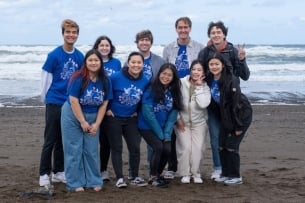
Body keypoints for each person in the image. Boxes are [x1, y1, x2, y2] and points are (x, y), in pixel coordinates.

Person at [197, 21, 250, 180]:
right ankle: (219, 168)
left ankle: (231, 172)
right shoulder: (205, 52)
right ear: (209, 35)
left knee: (230, 140)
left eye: (218, 32)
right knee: (216, 138)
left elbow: (245, 76)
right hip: (214, 103)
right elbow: (201, 71)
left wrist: (241, 60)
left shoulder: (233, 51)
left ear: (224, 34)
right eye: (213, 32)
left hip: (231, 102)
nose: (216, 35)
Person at [39, 19, 84, 187]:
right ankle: (44, 173)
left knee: (62, 140)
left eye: (74, 32)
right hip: (54, 101)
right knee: (50, 139)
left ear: (77, 35)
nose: (71, 35)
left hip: (70, 104)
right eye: (68, 32)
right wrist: (46, 100)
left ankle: (58, 172)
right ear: (63, 34)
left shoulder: (80, 56)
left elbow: (80, 81)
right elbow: (46, 79)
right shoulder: (54, 55)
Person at [61, 49, 112, 192]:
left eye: (96, 60)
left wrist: (97, 124)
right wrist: (82, 122)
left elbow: (104, 103)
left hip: (93, 115)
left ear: (101, 63)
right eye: (90, 60)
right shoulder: (78, 77)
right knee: (74, 149)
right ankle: (74, 183)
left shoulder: (105, 80)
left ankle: (94, 180)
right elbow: (73, 100)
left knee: (91, 150)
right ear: (85, 62)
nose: (93, 63)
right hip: (73, 115)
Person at [162, 16, 204, 179]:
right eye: (180, 27)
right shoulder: (168, 48)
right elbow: (165, 70)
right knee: (173, 129)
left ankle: (193, 168)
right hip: (174, 90)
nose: (183, 30)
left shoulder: (199, 48)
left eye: (186, 27)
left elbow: (202, 69)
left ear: (190, 29)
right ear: (176, 29)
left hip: (192, 90)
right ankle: (172, 167)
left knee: (190, 128)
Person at [103, 52, 150, 188]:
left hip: (131, 119)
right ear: (128, 63)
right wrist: (107, 109)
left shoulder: (145, 81)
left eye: (139, 62)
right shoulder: (116, 77)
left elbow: (145, 100)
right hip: (114, 118)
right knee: (117, 147)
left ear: (143, 64)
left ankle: (134, 176)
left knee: (135, 147)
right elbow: (105, 92)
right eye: (133, 62)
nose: (136, 65)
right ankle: (119, 178)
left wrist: (138, 110)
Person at [205, 52, 252, 185]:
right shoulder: (209, 79)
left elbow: (235, 105)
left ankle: (235, 176)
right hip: (227, 117)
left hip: (241, 115)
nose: (214, 67)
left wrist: (238, 127)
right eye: (211, 64)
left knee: (231, 146)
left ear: (223, 65)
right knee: (221, 146)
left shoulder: (230, 79)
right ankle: (225, 174)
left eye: (217, 64)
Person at [138, 63, 183, 187]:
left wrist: (167, 133)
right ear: (159, 74)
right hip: (147, 126)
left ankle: (157, 175)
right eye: (164, 74)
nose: (166, 77)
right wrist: (160, 135)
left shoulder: (174, 91)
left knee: (167, 149)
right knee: (158, 147)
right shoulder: (151, 89)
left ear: (173, 77)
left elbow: (173, 115)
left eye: (169, 75)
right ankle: (152, 177)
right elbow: (148, 115)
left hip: (164, 127)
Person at [134, 29, 166, 175]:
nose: (144, 42)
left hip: (152, 105)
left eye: (147, 40)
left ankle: (153, 169)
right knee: (134, 142)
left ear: (151, 42)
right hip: (134, 106)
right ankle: (133, 172)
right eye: (142, 40)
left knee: (153, 142)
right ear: (137, 43)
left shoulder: (159, 61)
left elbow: (166, 80)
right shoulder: (132, 61)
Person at [174, 60, 211, 184]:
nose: (196, 72)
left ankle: (196, 173)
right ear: (190, 70)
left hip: (199, 123)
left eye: (199, 70)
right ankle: (185, 173)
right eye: (194, 69)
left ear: (204, 73)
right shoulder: (180, 83)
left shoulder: (205, 87)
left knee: (198, 148)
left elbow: (203, 104)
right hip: (182, 123)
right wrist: (178, 118)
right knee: (185, 148)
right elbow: (174, 102)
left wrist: (199, 86)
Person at [92, 35, 122, 182]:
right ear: (97, 47)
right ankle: (90, 169)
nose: (104, 47)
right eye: (101, 45)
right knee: (90, 139)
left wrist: (110, 107)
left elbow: (118, 87)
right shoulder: (93, 62)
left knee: (106, 142)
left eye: (107, 45)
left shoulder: (116, 63)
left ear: (111, 48)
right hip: (93, 106)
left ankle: (103, 169)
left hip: (109, 108)